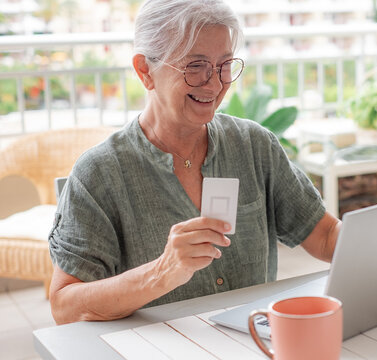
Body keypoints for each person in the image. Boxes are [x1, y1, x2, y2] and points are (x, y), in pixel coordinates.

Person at [48, 0, 341, 325]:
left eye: (225, 65)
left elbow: (326, 237)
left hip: (253, 345)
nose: (215, 84)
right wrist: (162, 272)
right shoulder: (99, 173)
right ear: (145, 71)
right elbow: (65, 306)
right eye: (195, 66)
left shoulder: (254, 146)